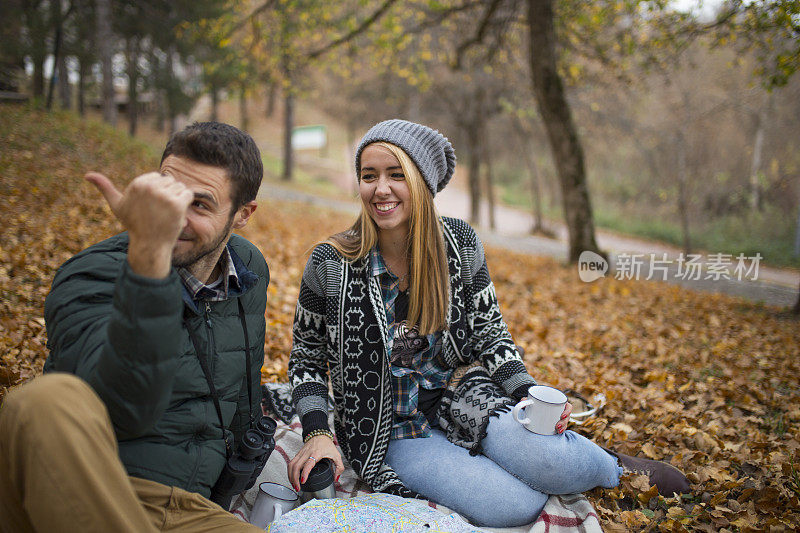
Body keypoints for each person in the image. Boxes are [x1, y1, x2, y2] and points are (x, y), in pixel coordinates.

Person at [286, 119, 689, 528]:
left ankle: (615, 468)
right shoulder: (332, 264)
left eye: (396, 174)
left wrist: (527, 391)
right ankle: (534, 467)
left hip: (462, 395)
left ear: (421, 183)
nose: (380, 189)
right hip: (390, 430)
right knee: (512, 505)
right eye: (368, 176)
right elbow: (305, 357)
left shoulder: (458, 245)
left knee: (555, 460)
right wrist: (317, 430)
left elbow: (490, 332)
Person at [0, 122, 269, 532]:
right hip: (98, 488)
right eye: (168, 195)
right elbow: (125, 410)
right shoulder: (90, 274)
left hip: (196, 511)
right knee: (43, 401)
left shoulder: (247, 267)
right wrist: (149, 257)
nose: (173, 217)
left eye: (199, 205)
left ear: (242, 214)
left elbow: (242, 393)